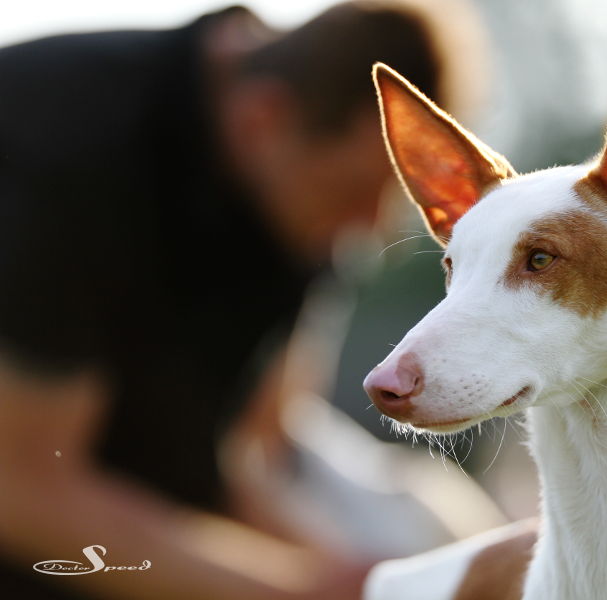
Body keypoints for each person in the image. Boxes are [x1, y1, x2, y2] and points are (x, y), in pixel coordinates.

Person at [0, 3, 441, 599]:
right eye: (353, 191)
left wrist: (365, 579)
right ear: (265, 117)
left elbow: (251, 449)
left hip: (121, 508)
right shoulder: (70, 148)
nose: (368, 229)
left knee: (422, 524)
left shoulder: (289, 197)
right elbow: (23, 488)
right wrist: (306, 590)